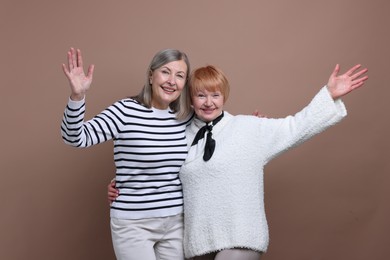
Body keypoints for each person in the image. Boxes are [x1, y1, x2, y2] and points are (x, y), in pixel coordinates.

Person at [109, 62, 368, 260]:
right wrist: (121, 184)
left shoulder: (248, 128)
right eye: (201, 96)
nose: (208, 102)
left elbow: (296, 126)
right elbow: (157, 168)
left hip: (241, 236)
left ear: (224, 97)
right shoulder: (180, 135)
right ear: (191, 98)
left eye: (215, 95)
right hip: (196, 242)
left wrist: (329, 95)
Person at [61, 47, 194, 260]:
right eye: (165, 72)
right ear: (151, 75)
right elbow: (75, 137)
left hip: (176, 222)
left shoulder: (185, 117)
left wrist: (256, 127)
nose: (172, 81)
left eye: (180, 76)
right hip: (133, 223)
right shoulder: (125, 111)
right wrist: (77, 96)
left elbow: (219, 132)